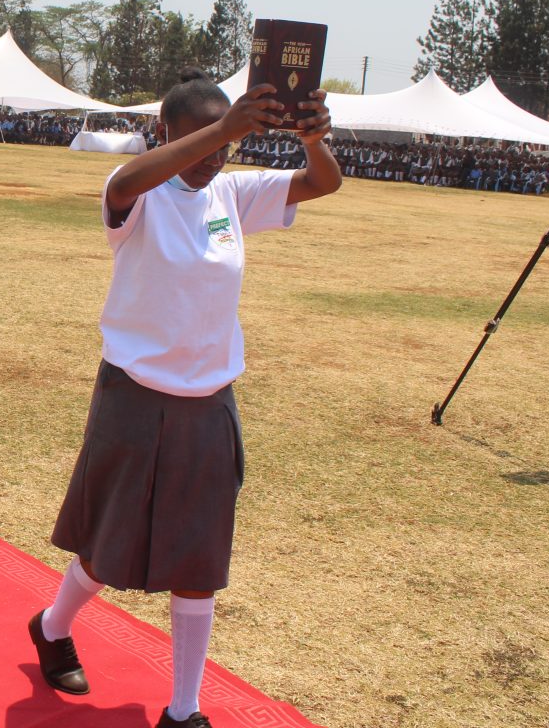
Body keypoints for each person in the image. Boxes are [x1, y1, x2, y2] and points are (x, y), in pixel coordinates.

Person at [27, 70, 340, 728]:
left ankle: (184, 709)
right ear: (163, 132)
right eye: (198, 140)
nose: (214, 158)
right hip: (134, 394)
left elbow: (322, 183)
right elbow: (122, 185)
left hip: (209, 399)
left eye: (224, 145)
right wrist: (223, 130)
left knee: (199, 553)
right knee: (110, 544)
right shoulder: (139, 193)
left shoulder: (231, 192)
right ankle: (53, 626)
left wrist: (314, 138)